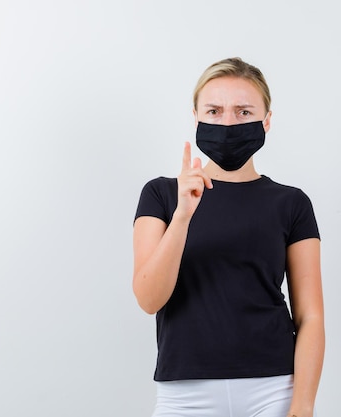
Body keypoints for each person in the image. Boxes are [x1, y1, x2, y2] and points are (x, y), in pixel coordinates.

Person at [132, 57, 324, 417]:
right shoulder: (161, 195)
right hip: (185, 394)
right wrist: (183, 216)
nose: (228, 123)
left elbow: (310, 316)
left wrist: (303, 406)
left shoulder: (291, 203)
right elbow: (148, 298)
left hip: (274, 389)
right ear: (196, 117)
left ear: (266, 120)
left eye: (244, 112)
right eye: (215, 111)